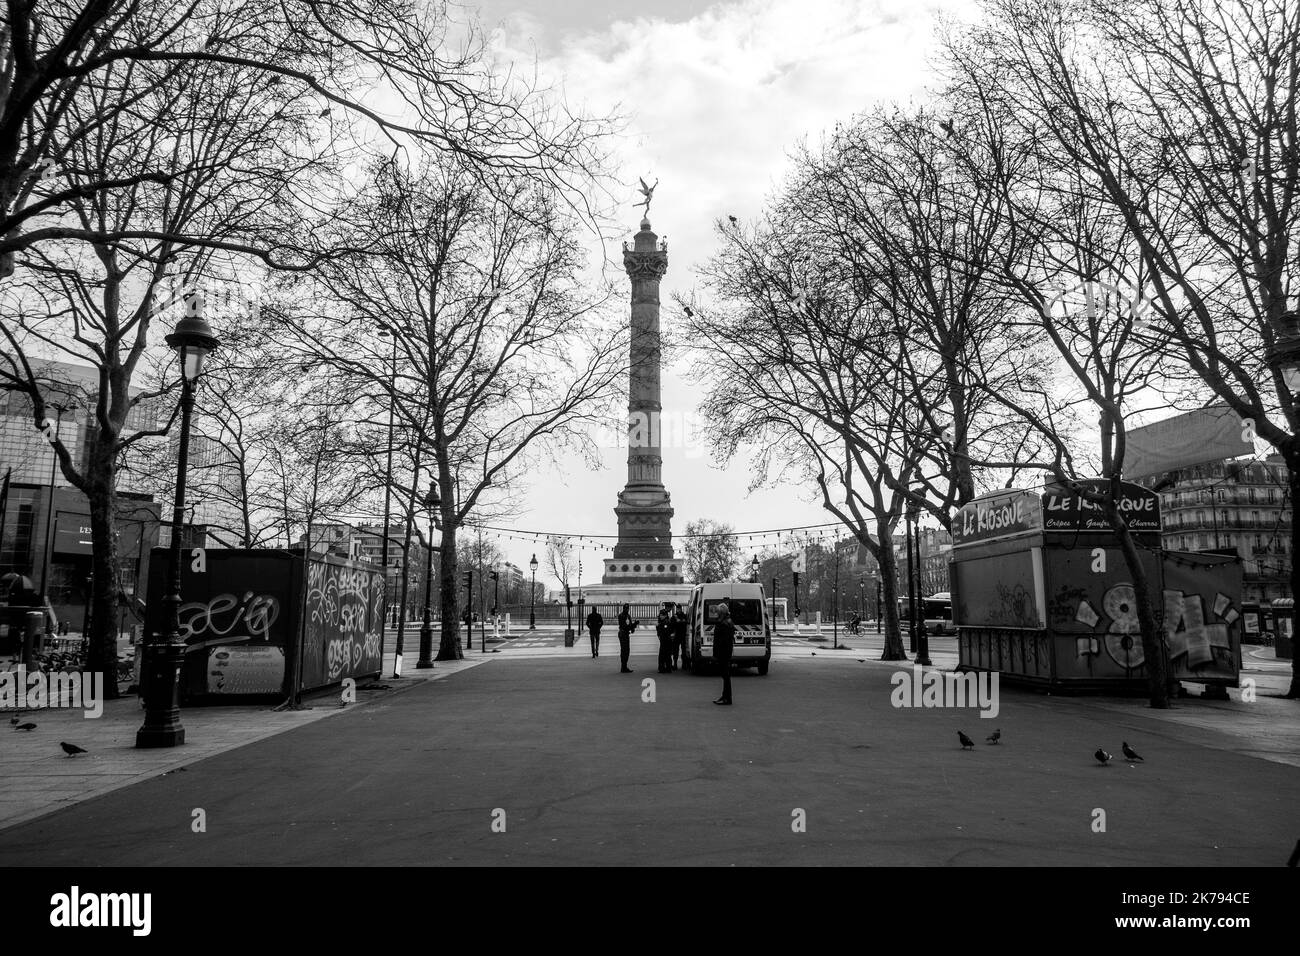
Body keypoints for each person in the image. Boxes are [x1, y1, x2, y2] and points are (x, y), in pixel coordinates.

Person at [713, 602, 735, 705]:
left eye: (717, 612)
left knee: (725, 676)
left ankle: (727, 698)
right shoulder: (727, 621)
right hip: (725, 653)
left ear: (721, 613)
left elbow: (722, 641)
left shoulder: (723, 623)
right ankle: (725, 696)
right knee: (725, 676)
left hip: (723, 654)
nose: (716, 614)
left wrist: (718, 653)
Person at [617, 604, 637, 673]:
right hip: (622, 634)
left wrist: (634, 626)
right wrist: (633, 625)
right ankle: (623, 667)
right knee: (624, 651)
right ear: (623, 608)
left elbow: (630, 626)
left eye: (627, 608)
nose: (627, 609)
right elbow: (625, 626)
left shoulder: (628, 616)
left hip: (626, 634)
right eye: (625, 608)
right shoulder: (621, 616)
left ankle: (624, 667)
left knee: (627, 651)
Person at [671, 603, 689, 671]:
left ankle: (684, 664)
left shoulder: (684, 615)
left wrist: (679, 621)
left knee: (684, 651)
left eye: (679, 608)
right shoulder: (674, 617)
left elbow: (685, 623)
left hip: (683, 635)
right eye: (677, 609)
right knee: (675, 651)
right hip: (676, 636)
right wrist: (679, 622)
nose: (678, 610)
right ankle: (675, 664)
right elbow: (672, 625)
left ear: (681, 609)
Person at [656, 605, 673, 673]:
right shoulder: (665, 622)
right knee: (667, 655)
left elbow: (664, 632)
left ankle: (662, 668)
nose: (660, 616)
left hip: (665, 641)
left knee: (663, 656)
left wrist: (658, 627)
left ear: (665, 615)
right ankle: (667, 668)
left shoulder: (665, 622)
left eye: (662, 615)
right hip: (666, 641)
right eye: (660, 615)